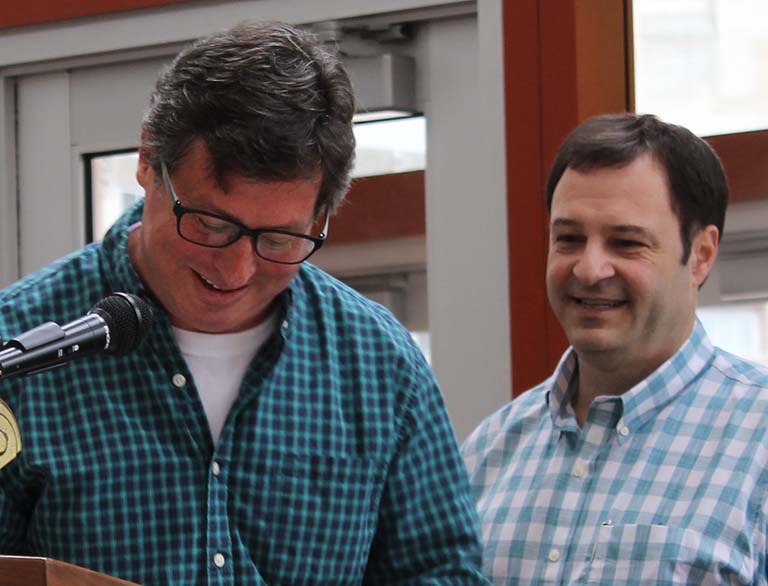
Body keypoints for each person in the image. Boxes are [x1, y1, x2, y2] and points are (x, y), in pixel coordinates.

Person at [0, 21, 488, 585]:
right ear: (147, 161)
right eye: (209, 224)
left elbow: (440, 572)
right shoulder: (20, 347)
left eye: (279, 239)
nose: (236, 269)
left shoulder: (379, 363)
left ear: (321, 218)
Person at [462, 113, 768, 584]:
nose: (589, 269)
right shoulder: (487, 451)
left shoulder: (759, 441)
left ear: (701, 255)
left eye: (626, 243)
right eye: (569, 239)